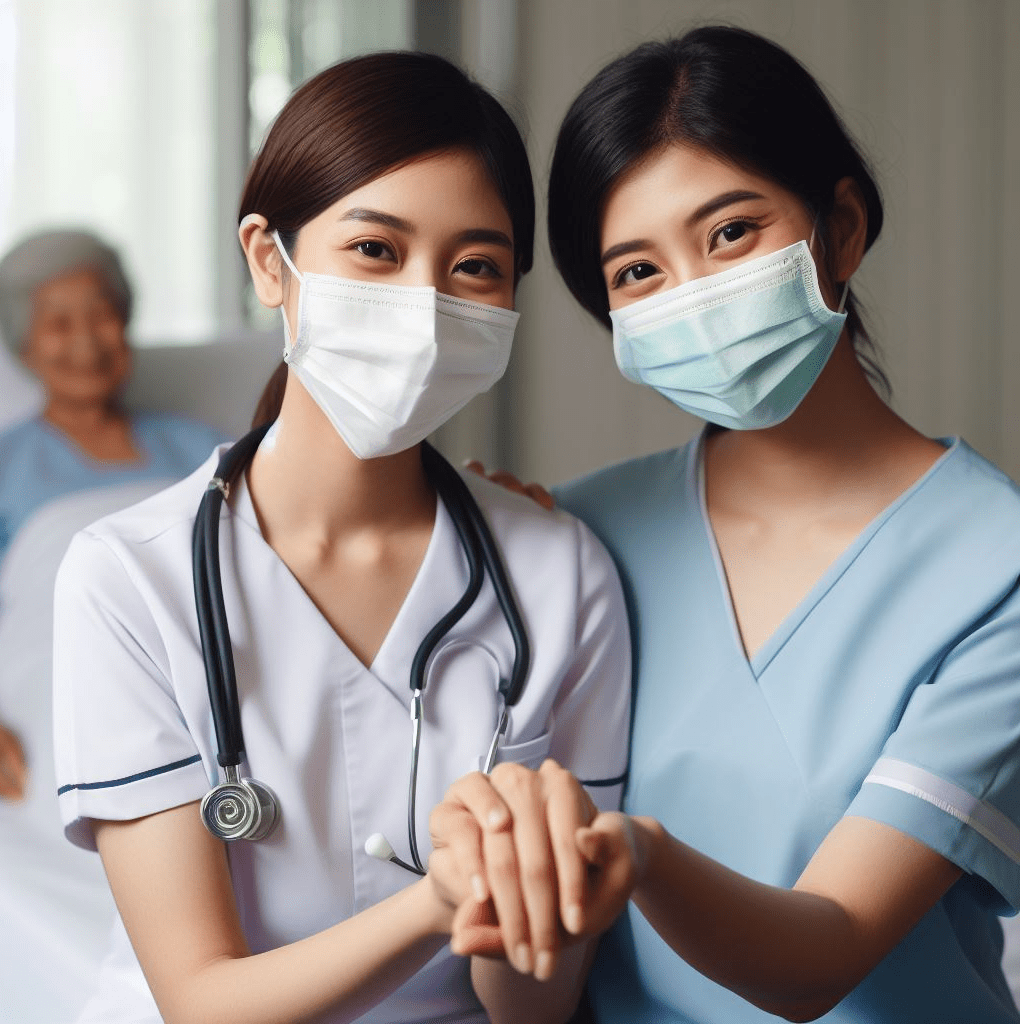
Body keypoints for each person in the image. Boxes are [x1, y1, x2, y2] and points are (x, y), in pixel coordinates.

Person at [434, 26, 1020, 1024]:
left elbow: (822, 953)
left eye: (731, 233)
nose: (694, 297)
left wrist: (642, 854)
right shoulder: (573, 538)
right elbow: (525, 984)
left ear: (840, 227)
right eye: (637, 273)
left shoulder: (992, 565)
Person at [51, 52, 630, 1024]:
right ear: (269, 260)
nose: (423, 303)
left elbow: (534, 1006)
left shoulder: (560, 572)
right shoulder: (126, 579)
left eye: (474, 266)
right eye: (375, 250)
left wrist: (521, 896)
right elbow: (201, 1001)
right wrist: (440, 899)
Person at [0, 229, 225, 1023]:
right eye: (59, 321)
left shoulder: (201, 447)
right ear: (23, 342)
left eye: (102, 315)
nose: (86, 341)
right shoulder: (4, 464)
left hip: (200, 672)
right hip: (50, 694)